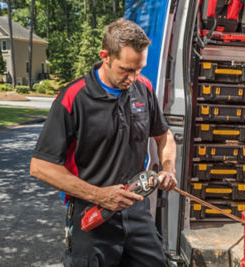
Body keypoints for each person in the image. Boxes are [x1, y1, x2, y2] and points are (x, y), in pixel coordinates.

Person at [30, 18, 177, 267]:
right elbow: (40, 166)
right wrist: (99, 195)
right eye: (126, 70)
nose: (133, 77)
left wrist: (168, 169)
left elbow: (164, 136)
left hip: (136, 209)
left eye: (139, 69)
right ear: (105, 56)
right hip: (93, 212)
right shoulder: (73, 97)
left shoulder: (144, 89)